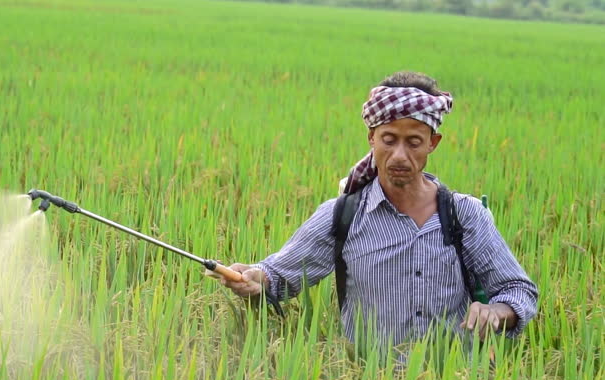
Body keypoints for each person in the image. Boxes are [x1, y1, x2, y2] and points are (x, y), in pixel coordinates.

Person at [218, 72, 538, 351]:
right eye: (389, 139)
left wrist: (498, 311)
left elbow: (518, 290)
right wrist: (253, 277)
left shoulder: (464, 215)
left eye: (413, 142)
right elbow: (279, 275)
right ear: (372, 137)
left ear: (433, 143)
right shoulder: (343, 216)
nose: (399, 155)